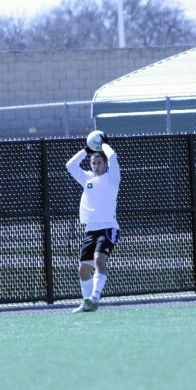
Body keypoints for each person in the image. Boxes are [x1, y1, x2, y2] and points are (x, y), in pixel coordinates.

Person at [66, 131, 120, 312]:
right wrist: (87, 149)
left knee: (98, 260)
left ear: (105, 165)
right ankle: (87, 302)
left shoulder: (112, 178)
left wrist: (102, 144)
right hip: (91, 230)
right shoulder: (88, 178)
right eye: (93, 163)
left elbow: (112, 155)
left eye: (99, 163)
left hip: (108, 228)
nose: (96, 166)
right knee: (83, 269)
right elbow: (70, 165)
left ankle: (95, 298)